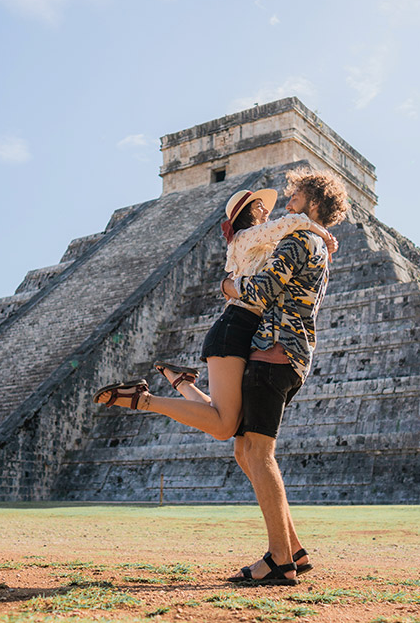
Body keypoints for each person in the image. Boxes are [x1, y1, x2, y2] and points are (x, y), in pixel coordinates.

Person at [95, 168, 349, 585]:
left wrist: (229, 286)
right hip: (283, 352)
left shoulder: (300, 239)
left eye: (296, 199)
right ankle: (295, 551)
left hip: (272, 353)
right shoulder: (310, 241)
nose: (287, 206)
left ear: (315, 202)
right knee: (243, 452)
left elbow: (260, 293)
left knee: (257, 453)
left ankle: (279, 560)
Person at [93, 185, 337, 442]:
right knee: (224, 427)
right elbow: (292, 223)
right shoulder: (245, 237)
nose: (266, 209)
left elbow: (292, 243)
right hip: (235, 326)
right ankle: (142, 399)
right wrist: (321, 231)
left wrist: (319, 241)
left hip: (253, 331)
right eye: (258, 206)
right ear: (245, 214)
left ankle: (181, 382)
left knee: (228, 421)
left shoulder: (268, 241)